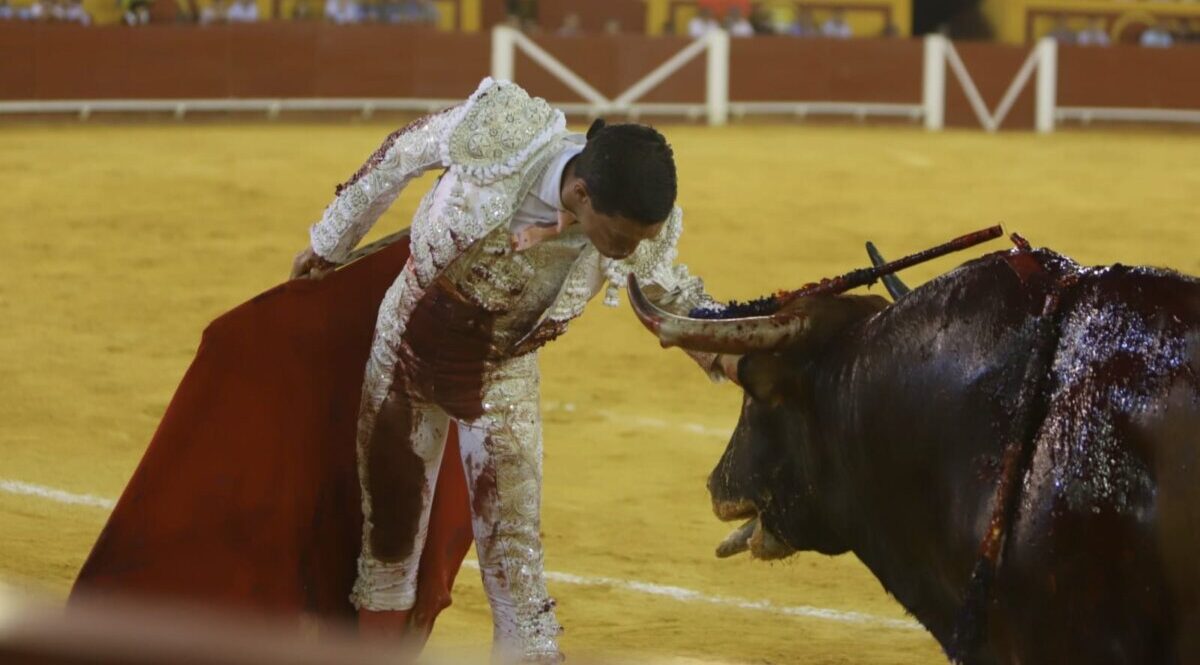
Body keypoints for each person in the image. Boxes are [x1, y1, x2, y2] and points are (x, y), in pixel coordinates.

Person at [290, 78, 735, 663]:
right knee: (390, 541)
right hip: (403, 352)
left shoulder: (633, 223)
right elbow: (401, 152)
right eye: (621, 238)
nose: (625, 253)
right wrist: (329, 240)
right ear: (580, 194)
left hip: (501, 375)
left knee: (516, 559)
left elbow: (665, 296)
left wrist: (735, 351)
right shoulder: (501, 132)